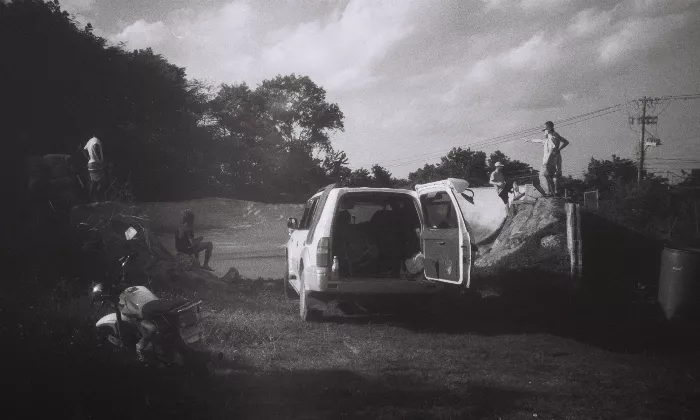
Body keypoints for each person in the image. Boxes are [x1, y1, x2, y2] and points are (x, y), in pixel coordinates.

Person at [524, 121, 570, 196]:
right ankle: (554, 192)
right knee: (551, 177)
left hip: (549, 161)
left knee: (542, 175)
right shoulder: (555, 136)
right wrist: (529, 140)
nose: (544, 132)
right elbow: (566, 142)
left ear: (549, 129)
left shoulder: (551, 138)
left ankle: (547, 192)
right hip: (554, 160)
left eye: (545, 130)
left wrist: (547, 161)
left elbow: (552, 149)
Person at [83, 136, 106, 202]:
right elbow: (96, 146)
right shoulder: (96, 140)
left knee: (93, 182)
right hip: (96, 164)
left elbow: (84, 150)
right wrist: (99, 159)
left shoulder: (90, 141)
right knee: (102, 182)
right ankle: (99, 199)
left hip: (90, 164)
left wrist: (89, 158)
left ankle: (91, 199)